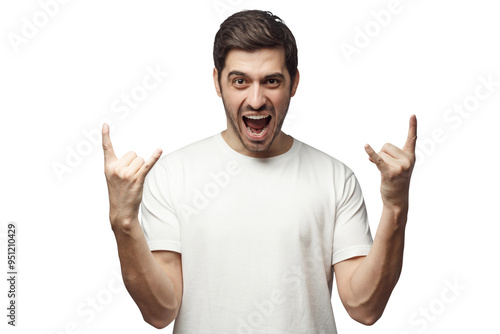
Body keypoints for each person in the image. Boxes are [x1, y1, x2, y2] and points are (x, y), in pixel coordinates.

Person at [102, 9, 417, 334]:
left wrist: (395, 207)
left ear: (293, 83)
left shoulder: (335, 179)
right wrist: (123, 221)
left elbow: (365, 308)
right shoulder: (173, 175)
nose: (255, 100)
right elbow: (159, 312)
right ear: (217, 83)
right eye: (240, 81)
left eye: (271, 81)